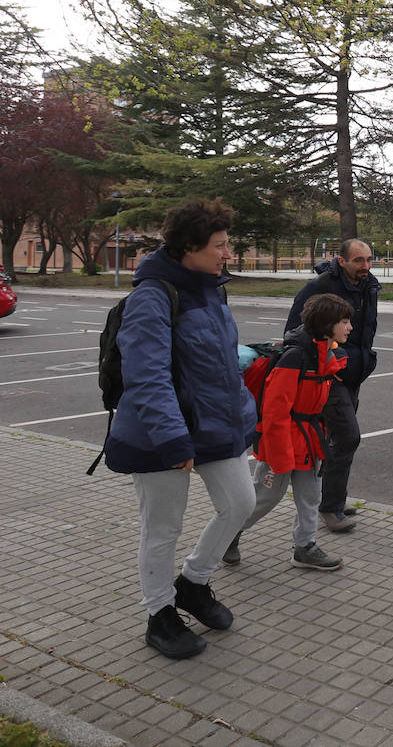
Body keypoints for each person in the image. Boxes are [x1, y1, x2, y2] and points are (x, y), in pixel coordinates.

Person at [103, 200, 258, 660]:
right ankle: (159, 614)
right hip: (158, 433)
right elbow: (146, 376)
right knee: (162, 528)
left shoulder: (211, 289)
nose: (228, 253)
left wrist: (245, 413)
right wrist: (173, 439)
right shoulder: (153, 296)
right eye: (220, 245)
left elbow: (218, 365)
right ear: (189, 247)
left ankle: (192, 583)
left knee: (240, 503)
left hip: (212, 425)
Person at [224, 293, 352, 570]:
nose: (349, 327)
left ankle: (305, 547)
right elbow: (274, 411)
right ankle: (227, 535)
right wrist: (280, 455)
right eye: (344, 321)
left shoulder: (323, 354)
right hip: (281, 441)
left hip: (308, 441)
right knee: (264, 497)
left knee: (310, 497)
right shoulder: (295, 358)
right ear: (327, 323)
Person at [284, 238, 379, 532]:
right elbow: (294, 331)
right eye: (358, 261)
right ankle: (329, 508)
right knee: (348, 435)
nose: (366, 266)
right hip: (330, 374)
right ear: (342, 261)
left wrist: (364, 362)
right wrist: (329, 361)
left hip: (353, 374)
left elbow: (364, 331)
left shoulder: (369, 286)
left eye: (369, 260)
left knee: (341, 439)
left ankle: (332, 499)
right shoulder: (320, 287)